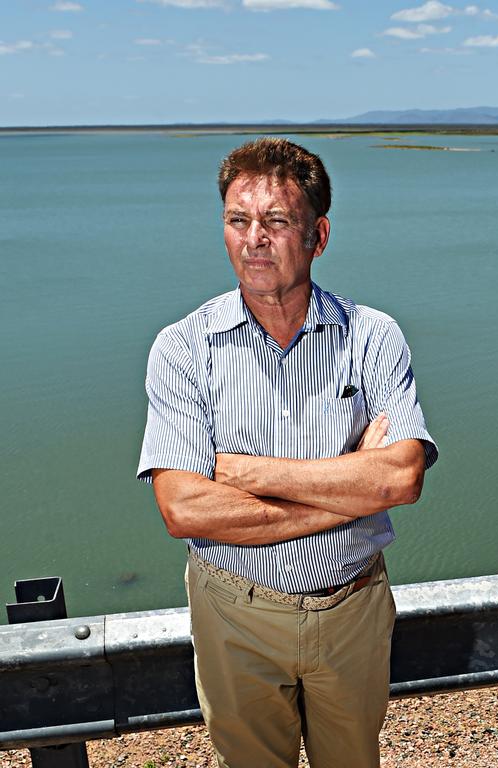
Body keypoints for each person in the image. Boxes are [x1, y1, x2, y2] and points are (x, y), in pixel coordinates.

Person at [137, 137, 437, 768]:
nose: (254, 240)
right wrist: (349, 493)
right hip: (233, 614)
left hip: (352, 609)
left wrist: (248, 473)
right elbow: (184, 509)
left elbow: (403, 475)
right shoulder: (183, 348)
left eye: (276, 222)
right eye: (238, 221)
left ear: (318, 235)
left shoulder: (372, 336)